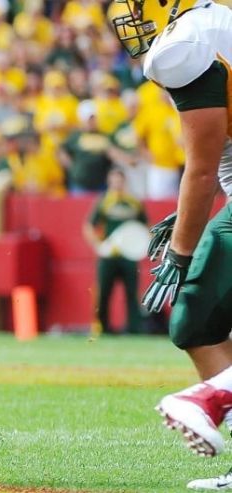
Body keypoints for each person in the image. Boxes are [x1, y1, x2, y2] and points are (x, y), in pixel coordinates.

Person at [110, 0, 232, 488]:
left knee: (193, 319)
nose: (134, 26)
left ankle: (207, 398)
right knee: (199, 323)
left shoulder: (185, 43)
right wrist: (189, 211)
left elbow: (202, 167)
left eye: (140, 11)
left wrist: (179, 257)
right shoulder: (216, 26)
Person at [82, 167, 146, 335]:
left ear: (124, 181)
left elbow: (146, 226)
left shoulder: (133, 202)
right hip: (109, 254)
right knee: (103, 292)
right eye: (114, 180)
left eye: (120, 180)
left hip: (128, 255)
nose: (117, 184)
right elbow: (89, 226)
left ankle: (134, 329)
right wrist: (99, 245)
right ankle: (102, 328)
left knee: (132, 293)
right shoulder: (103, 201)